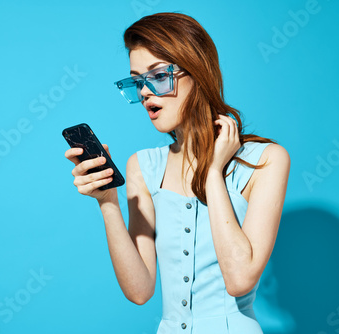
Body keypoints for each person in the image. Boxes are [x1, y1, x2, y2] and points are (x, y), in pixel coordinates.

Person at [65, 12, 290, 334]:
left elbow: (240, 280)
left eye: (157, 76)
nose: (143, 92)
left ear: (197, 73)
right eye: (136, 81)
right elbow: (140, 291)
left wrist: (213, 173)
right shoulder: (142, 165)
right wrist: (107, 202)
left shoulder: (265, 159)